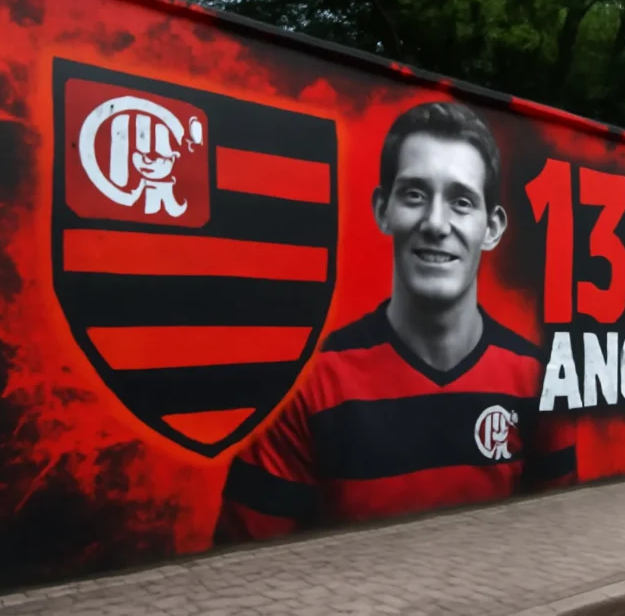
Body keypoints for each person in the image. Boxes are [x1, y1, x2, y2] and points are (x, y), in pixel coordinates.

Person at [214, 101, 576, 543]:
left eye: (461, 202)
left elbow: (555, 540)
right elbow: (246, 567)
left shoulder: (538, 380)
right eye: (414, 195)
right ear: (383, 209)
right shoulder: (307, 387)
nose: (436, 224)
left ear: (492, 228)